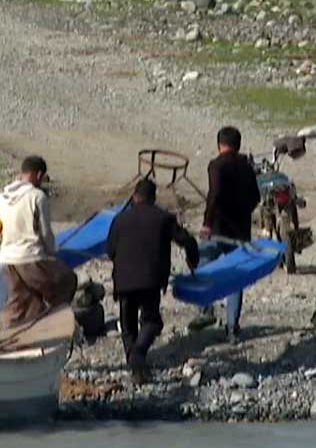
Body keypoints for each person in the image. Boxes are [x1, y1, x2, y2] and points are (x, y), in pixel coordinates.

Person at [105, 178, 200, 384]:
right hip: (150, 279)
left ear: (134, 197)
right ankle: (138, 355)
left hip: (124, 280)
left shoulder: (120, 219)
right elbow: (187, 240)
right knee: (152, 321)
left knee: (128, 325)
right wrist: (193, 260)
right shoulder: (163, 218)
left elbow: (110, 250)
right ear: (153, 197)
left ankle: (135, 365)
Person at [0, 155, 77, 328]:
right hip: (30, 257)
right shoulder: (37, 197)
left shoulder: (2, 198)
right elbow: (45, 232)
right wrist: (53, 251)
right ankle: (56, 323)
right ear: (39, 175)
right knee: (67, 280)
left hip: (7, 259)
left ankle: (12, 331)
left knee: (21, 301)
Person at [199, 126, 261, 339]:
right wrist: (243, 213)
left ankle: (205, 310)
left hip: (217, 229)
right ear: (238, 144)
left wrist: (207, 223)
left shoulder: (216, 166)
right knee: (236, 277)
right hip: (241, 231)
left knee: (203, 263)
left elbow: (214, 194)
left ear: (219, 145)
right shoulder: (246, 166)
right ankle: (232, 326)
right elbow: (255, 196)